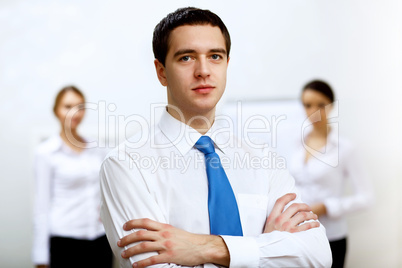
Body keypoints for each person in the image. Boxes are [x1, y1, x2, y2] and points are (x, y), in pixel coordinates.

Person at [100, 7, 332, 268]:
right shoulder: (125, 165)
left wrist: (203, 248)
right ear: (161, 71)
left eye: (215, 56)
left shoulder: (263, 158)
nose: (203, 71)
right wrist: (266, 246)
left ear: (226, 64)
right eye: (186, 58)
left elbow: (317, 256)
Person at [287, 80, 373, 268]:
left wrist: (326, 207)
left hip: (331, 236)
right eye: (308, 105)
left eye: (321, 105)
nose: (314, 111)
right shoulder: (295, 143)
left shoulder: (345, 148)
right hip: (298, 235)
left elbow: (367, 198)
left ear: (332, 106)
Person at [32, 86, 113, 268]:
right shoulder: (46, 153)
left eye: (80, 107)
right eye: (67, 106)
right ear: (56, 111)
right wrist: (40, 256)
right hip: (65, 240)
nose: (74, 113)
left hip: (100, 238)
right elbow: (41, 206)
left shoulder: (97, 148)